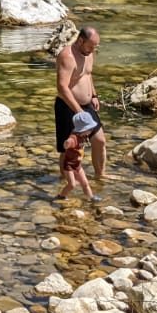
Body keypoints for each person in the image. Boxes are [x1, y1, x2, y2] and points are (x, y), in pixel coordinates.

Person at [55, 25, 106, 179]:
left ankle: (100, 176)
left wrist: (94, 96)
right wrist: (78, 111)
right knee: (70, 148)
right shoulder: (67, 57)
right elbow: (62, 87)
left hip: (86, 105)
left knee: (100, 140)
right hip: (68, 106)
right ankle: (66, 182)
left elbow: (87, 75)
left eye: (95, 46)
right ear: (80, 40)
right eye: (91, 45)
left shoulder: (89, 53)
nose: (93, 49)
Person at [58, 110, 98, 198]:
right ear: (83, 129)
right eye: (89, 129)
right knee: (72, 185)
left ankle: (91, 197)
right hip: (68, 166)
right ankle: (61, 196)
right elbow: (68, 142)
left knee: (85, 183)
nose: (91, 130)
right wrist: (67, 143)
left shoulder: (83, 136)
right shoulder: (74, 138)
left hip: (78, 165)